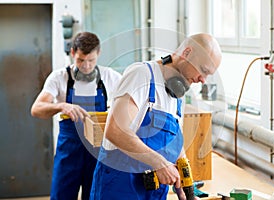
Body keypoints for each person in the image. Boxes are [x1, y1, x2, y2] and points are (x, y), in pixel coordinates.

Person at [90, 33, 222, 200]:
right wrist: (159, 163)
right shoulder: (142, 75)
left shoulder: (176, 95)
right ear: (187, 53)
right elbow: (116, 131)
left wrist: (186, 188)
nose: (203, 80)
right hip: (120, 187)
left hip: (154, 192)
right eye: (203, 70)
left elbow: (175, 144)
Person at [31, 31, 122, 200]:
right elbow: (36, 109)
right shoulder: (60, 78)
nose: (86, 66)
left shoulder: (111, 77)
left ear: (98, 54)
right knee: (62, 196)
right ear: (73, 53)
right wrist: (61, 105)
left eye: (91, 61)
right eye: (81, 60)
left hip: (98, 153)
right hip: (69, 152)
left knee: (96, 196)